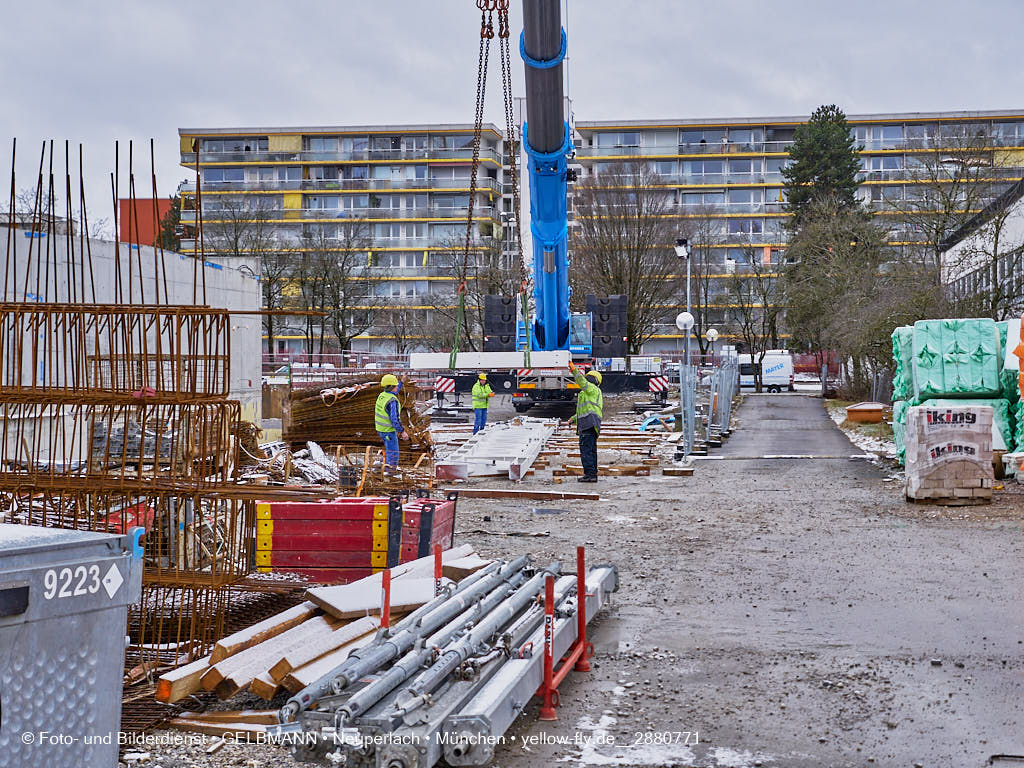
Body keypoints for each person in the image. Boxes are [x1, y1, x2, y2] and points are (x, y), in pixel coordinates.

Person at [567, 361, 603, 482]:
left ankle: (590, 475)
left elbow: (581, 381)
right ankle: (593, 473)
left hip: (588, 424)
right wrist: (573, 419)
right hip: (592, 423)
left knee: (586, 450)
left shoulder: (591, 389)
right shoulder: (592, 393)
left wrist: (573, 370)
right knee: (591, 450)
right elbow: (585, 411)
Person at [375, 374, 409, 468]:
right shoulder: (392, 401)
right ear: (391, 387)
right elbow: (394, 420)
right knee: (393, 453)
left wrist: (402, 381)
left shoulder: (383, 395)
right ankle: (390, 473)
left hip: (380, 429)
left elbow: (395, 390)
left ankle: (382, 465)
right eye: (396, 385)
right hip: (388, 431)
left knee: (389, 449)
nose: (397, 386)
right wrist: (402, 431)